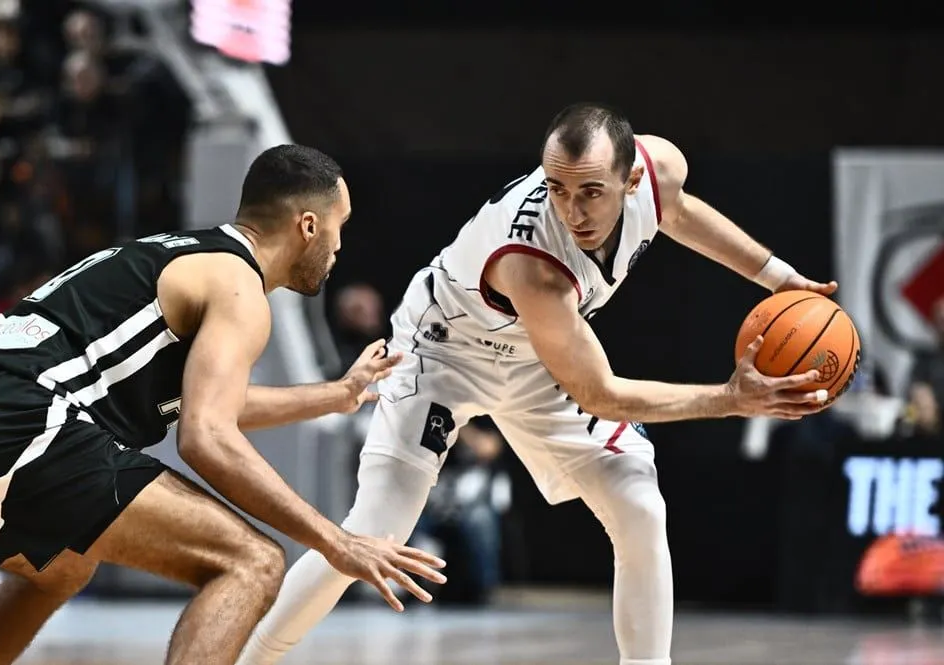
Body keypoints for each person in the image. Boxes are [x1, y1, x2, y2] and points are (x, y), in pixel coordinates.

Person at [237, 104, 839, 665]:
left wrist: (780, 280)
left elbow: (678, 211)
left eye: (590, 192)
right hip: (444, 352)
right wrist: (729, 401)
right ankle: (247, 656)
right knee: (374, 532)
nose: (571, 211)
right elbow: (600, 394)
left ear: (632, 181)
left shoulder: (659, 170)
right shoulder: (533, 261)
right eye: (556, 188)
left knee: (638, 506)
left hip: (536, 360)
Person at [0, 144, 446, 665]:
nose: (342, 244)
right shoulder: (239, 288)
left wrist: (336, 395)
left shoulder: (180, 252)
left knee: (62, 565)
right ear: (309, 226)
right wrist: (336, 541)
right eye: (341, 225)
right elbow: (207, 437)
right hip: (30, 419)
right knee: (252, 563)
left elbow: (209, 400)